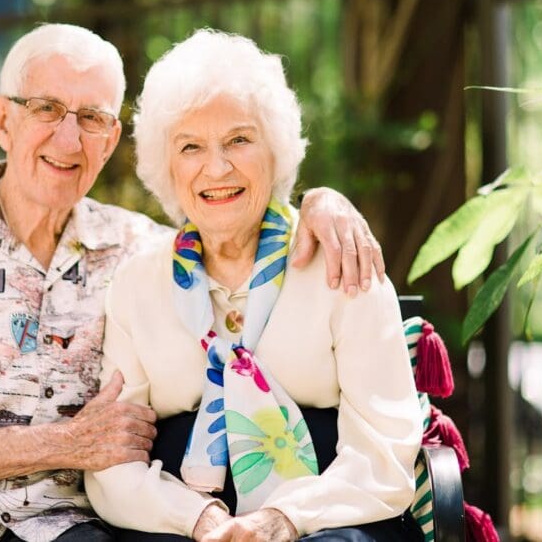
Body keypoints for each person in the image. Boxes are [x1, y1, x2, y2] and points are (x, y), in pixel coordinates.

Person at [0, 23, 387, 542]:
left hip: (59, 523)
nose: (69, 139)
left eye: (92, 118)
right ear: (3, 120)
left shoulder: (140, 254)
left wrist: (323, 204)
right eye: (47, 109)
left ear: (111, 137)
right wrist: (66, 442)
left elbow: (230, 209)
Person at [84, 29, 424, 542]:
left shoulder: (340, 260)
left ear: (277, 149)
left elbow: (385, 454)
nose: (216, 168)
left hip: (329, 520)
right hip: (183, 524)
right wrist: (200, 520)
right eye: (190, 147)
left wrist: (281, 521)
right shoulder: (137, 283)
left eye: (239, 140)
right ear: (167, 167)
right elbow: (111, 464)